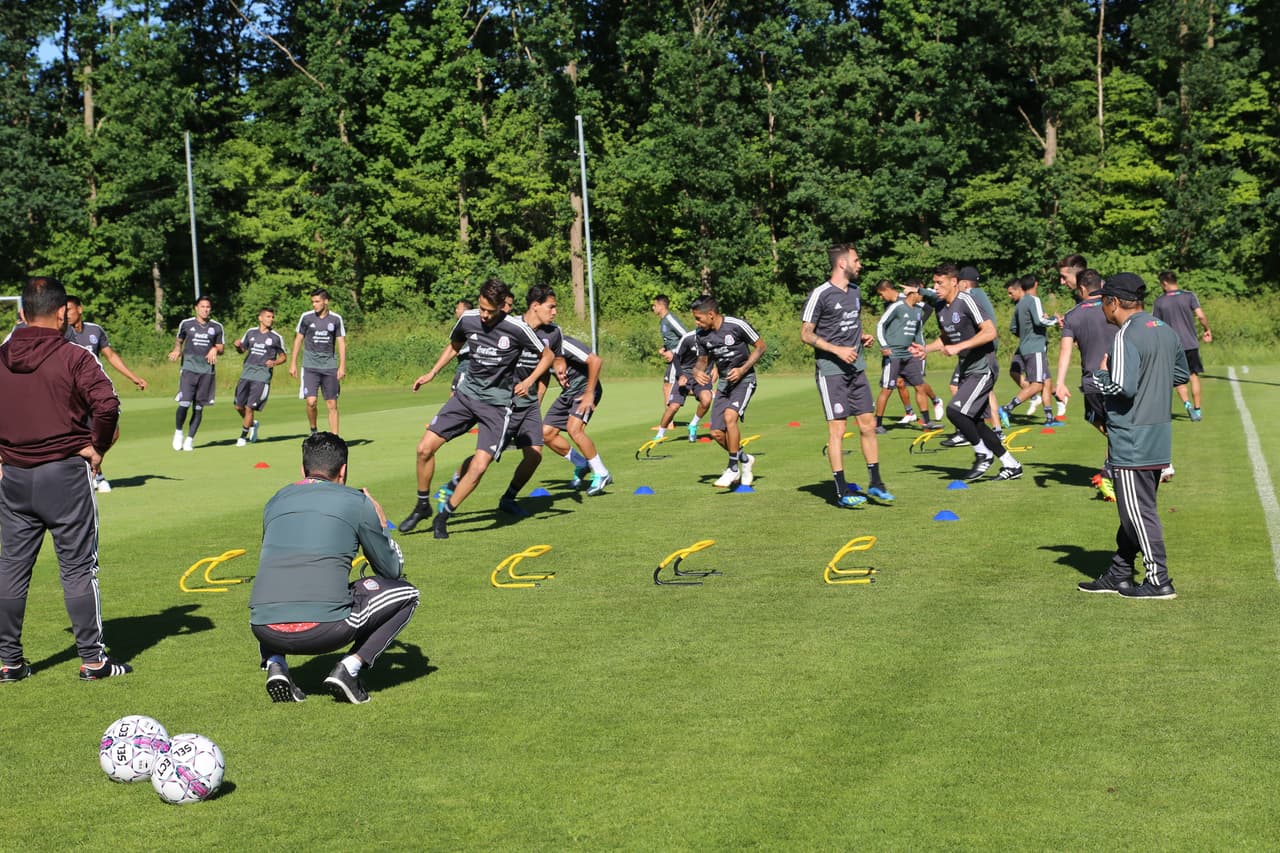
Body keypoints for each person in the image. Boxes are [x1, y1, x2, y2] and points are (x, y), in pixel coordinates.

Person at [0, 276, 131, 682]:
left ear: (21, 313)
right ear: (62, 314)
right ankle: (93, 660)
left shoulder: (1, 354)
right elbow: (107, 404)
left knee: (10, 567)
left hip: (13, 477)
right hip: (65, 475)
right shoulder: (75, 356)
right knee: (77, 568)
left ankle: (8, 662)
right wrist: (99, 447)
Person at [249, 432, 418, 703]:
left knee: (279, 580)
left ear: (303, 469)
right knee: (408, 594)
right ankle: (349, 669)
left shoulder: (275, 500)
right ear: (344, 470)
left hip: (264, 627)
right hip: (325, 629)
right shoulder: (356, 501)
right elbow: (391, 570)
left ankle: (275, 663)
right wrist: (382, 524)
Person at [400, 279, 553, 539]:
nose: (483, 315)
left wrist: (528, 381)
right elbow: (454, 345)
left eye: (489, 311)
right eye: (481, 308)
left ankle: (444, 515)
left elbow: (547, 355)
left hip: (496, 405)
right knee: (424, 448)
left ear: (502, 307)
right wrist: (432, 373)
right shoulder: (468, 319)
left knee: (480, 465)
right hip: (465, 396)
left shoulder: (516, 328)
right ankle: (422, 504)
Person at [1078, 273, 1188, 599]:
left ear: (1113, 302)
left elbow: (1121, 388)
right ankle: (1119, 573)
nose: (1101, 308)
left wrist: (1098, 375)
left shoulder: (1126, 335)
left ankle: (1158, 579)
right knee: (1137, 508)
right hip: (1158, 436)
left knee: (1139, 514)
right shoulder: (1163, 329)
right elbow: (1180, 373)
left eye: (1102, 302)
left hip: (1131, 440)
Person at [434, 286, 561, 518]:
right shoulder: (509, 326)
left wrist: (537, 400)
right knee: (484, 457)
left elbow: (548, 368)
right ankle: (451, 485)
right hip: (504, 403)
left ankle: (509, 498)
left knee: (534, 455)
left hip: (529, 404)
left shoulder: (553, 334)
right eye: (551, 307)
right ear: (535, 306)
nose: (555, 312)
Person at [910, 268, 1023, 481]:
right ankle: (1011, 464)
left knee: (955, 412)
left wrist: (960, 346)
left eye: (939, 283)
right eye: (934, 283)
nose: (935, 288)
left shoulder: (967, 300)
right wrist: (925, 349)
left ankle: (983, 454)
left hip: (983, 368)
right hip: (967, 369)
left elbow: (990, 332)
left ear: (954, 282)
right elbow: (946, 338)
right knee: (976, 423)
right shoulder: (942, 308)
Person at [800, 246, 892, 508]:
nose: (860, 264)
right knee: (838, 429)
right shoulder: (820, 294)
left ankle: (875, 481)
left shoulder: (855, 291)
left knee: (868, 424)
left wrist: (861, 336)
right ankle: (841, 490)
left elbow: (852, 321)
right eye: (856, 260)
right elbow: (806, 334)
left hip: (857, 369)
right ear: (842, 263)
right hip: (832, 372)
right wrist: (837, 349)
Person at [64, 295, 147, 493]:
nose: (66, 314)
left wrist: (133, 377)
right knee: (78, 435)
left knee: (112, 431)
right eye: (63, 310)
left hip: (94, 392)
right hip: (72, 395)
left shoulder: (95, 330)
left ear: (80, 309)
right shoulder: (61, 333)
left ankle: (93, 467)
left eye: (69, 309)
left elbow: (110, 355)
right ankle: (95, 474)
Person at [1053, 269, 1119, 499]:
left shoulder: (1073, 315)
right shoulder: (1113, 307)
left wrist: (1060, 383)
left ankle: (1113, 469)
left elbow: (1065, 351)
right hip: (1119, 378)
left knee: (1102, 422)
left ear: (1081, 289)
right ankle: (1112, 470)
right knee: (1119, 427)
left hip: (1091, 381)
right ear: (1100, 284)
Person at [693, 295, 766, 490]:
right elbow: (702, 360)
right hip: (725, 384)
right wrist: (697, 371)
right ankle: (744, 459)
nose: (696, 322)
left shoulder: (736, 325)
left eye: (698, 318)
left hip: (745, 380)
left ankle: (733, 466)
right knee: (716, 432)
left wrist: (743, 369)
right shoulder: (701, 335)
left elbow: (760, 347)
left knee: (729, 417)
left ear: (711, 314)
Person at [542, 330, 613, 496]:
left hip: (585, 390)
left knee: (574, 429)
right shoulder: (536, 348)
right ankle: (582, 463)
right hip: (567, 393)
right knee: (546, 434)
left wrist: (589, 392)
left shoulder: (564, 342)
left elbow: (595, 361)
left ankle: (602, 473)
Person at [873, 279, 941, 432]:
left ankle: (926, 422)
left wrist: (922, 349)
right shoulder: (897, 306)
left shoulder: (917, 310)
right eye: (920, 294)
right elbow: (881, 324)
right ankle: (877, 424)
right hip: (894, 354)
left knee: (919, 386)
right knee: (887, 389)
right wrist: (884, 346)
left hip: (909, 355)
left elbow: (918, 332)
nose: (922, 298)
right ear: (913, 293)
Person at [1000, 274, 1060, 427]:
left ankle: (1049, 418)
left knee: (1046, 380)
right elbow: (1041, 320)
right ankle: (1007, 408)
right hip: (1036, 348)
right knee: (1038, 384)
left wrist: (1025, 335)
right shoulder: (1034, 300)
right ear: (1036, 284)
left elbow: (1014, 328)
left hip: (1025, 347)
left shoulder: (1019, 304)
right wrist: (1055, 319)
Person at [1152, 270, 1212, 421]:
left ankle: (1187, 406)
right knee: (1193, 375)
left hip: (1172, 346)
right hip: (1190, 343)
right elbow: (1201, 316)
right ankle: (1198, 410)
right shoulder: (1189, 296)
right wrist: (1207, 330)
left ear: (1164, 283)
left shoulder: (1159, 302)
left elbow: (1155, 325)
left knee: (1177, 378)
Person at [168, 295, 224, 451]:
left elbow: (221, 347)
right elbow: (179, 340)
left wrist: (214, 349)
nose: (205, 310)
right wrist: (177, 350)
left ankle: (190, 439)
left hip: (207, 371)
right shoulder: (186, 324)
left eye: (208, 307)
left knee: (199, 407)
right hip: (189, 369)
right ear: (196, 308)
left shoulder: (217, 327)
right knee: (184, 403)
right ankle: (179, 432)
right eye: (203, 307)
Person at [289, 288, 347, 436]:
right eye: (313, 302)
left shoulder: (335, 319)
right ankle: (314, 430)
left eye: (317, 301)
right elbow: (298, 340)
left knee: (332, 404)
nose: (314, 304)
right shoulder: (306, 317)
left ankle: (335, 439)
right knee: (311, 402)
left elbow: (341, 343)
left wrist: (342, 366)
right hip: (310, 366)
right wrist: (293, 363)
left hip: (329, 366)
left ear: (326, 301)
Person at [233, 308, 288, 446]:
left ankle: (243, 436)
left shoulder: (276, 337)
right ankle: (252, 424)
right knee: (239, 407)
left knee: (250, 407)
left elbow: (283, 357)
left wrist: (274, 362)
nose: (271, 319)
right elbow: (242, 350)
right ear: (260, 318)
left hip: (262, 376)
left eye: (272, 317)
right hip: (246, 373)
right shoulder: (250, 332)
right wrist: (238, 346)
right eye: (268, 316)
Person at [653, 328, 714, 443]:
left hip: (702, 375)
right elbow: (676, 357)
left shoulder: (715, 336)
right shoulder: (688, 338)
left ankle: (693, 425)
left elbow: (719, 355)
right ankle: (660, 434)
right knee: (673, 407)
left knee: (706, 400)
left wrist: (716, 369)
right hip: (685, 374)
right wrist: (680, 375)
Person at [653, 295, 689, 408]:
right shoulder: (663, 321)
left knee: (668, 386)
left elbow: (686, 336)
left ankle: (668, 422)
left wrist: (673, 352)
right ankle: (707, 394)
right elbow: (672, 339)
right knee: (673, 385)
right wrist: (665, 348)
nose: (653, 308)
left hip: (677, 357)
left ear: (661, 306)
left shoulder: (670, 319)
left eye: (654, 305)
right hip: (673, 356)